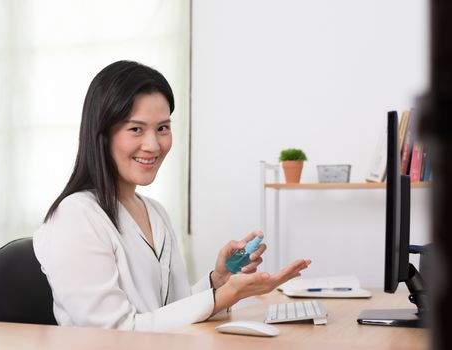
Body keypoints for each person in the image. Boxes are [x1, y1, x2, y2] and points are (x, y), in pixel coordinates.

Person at [33, 60, 310, 332]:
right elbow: (113, 332)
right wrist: (224, 297)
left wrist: (219, 281)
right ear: (102, 134)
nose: (153, 145)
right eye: (136, 129)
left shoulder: (154, 212)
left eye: (163, 128)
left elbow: (171, 308)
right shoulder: (74, 216)